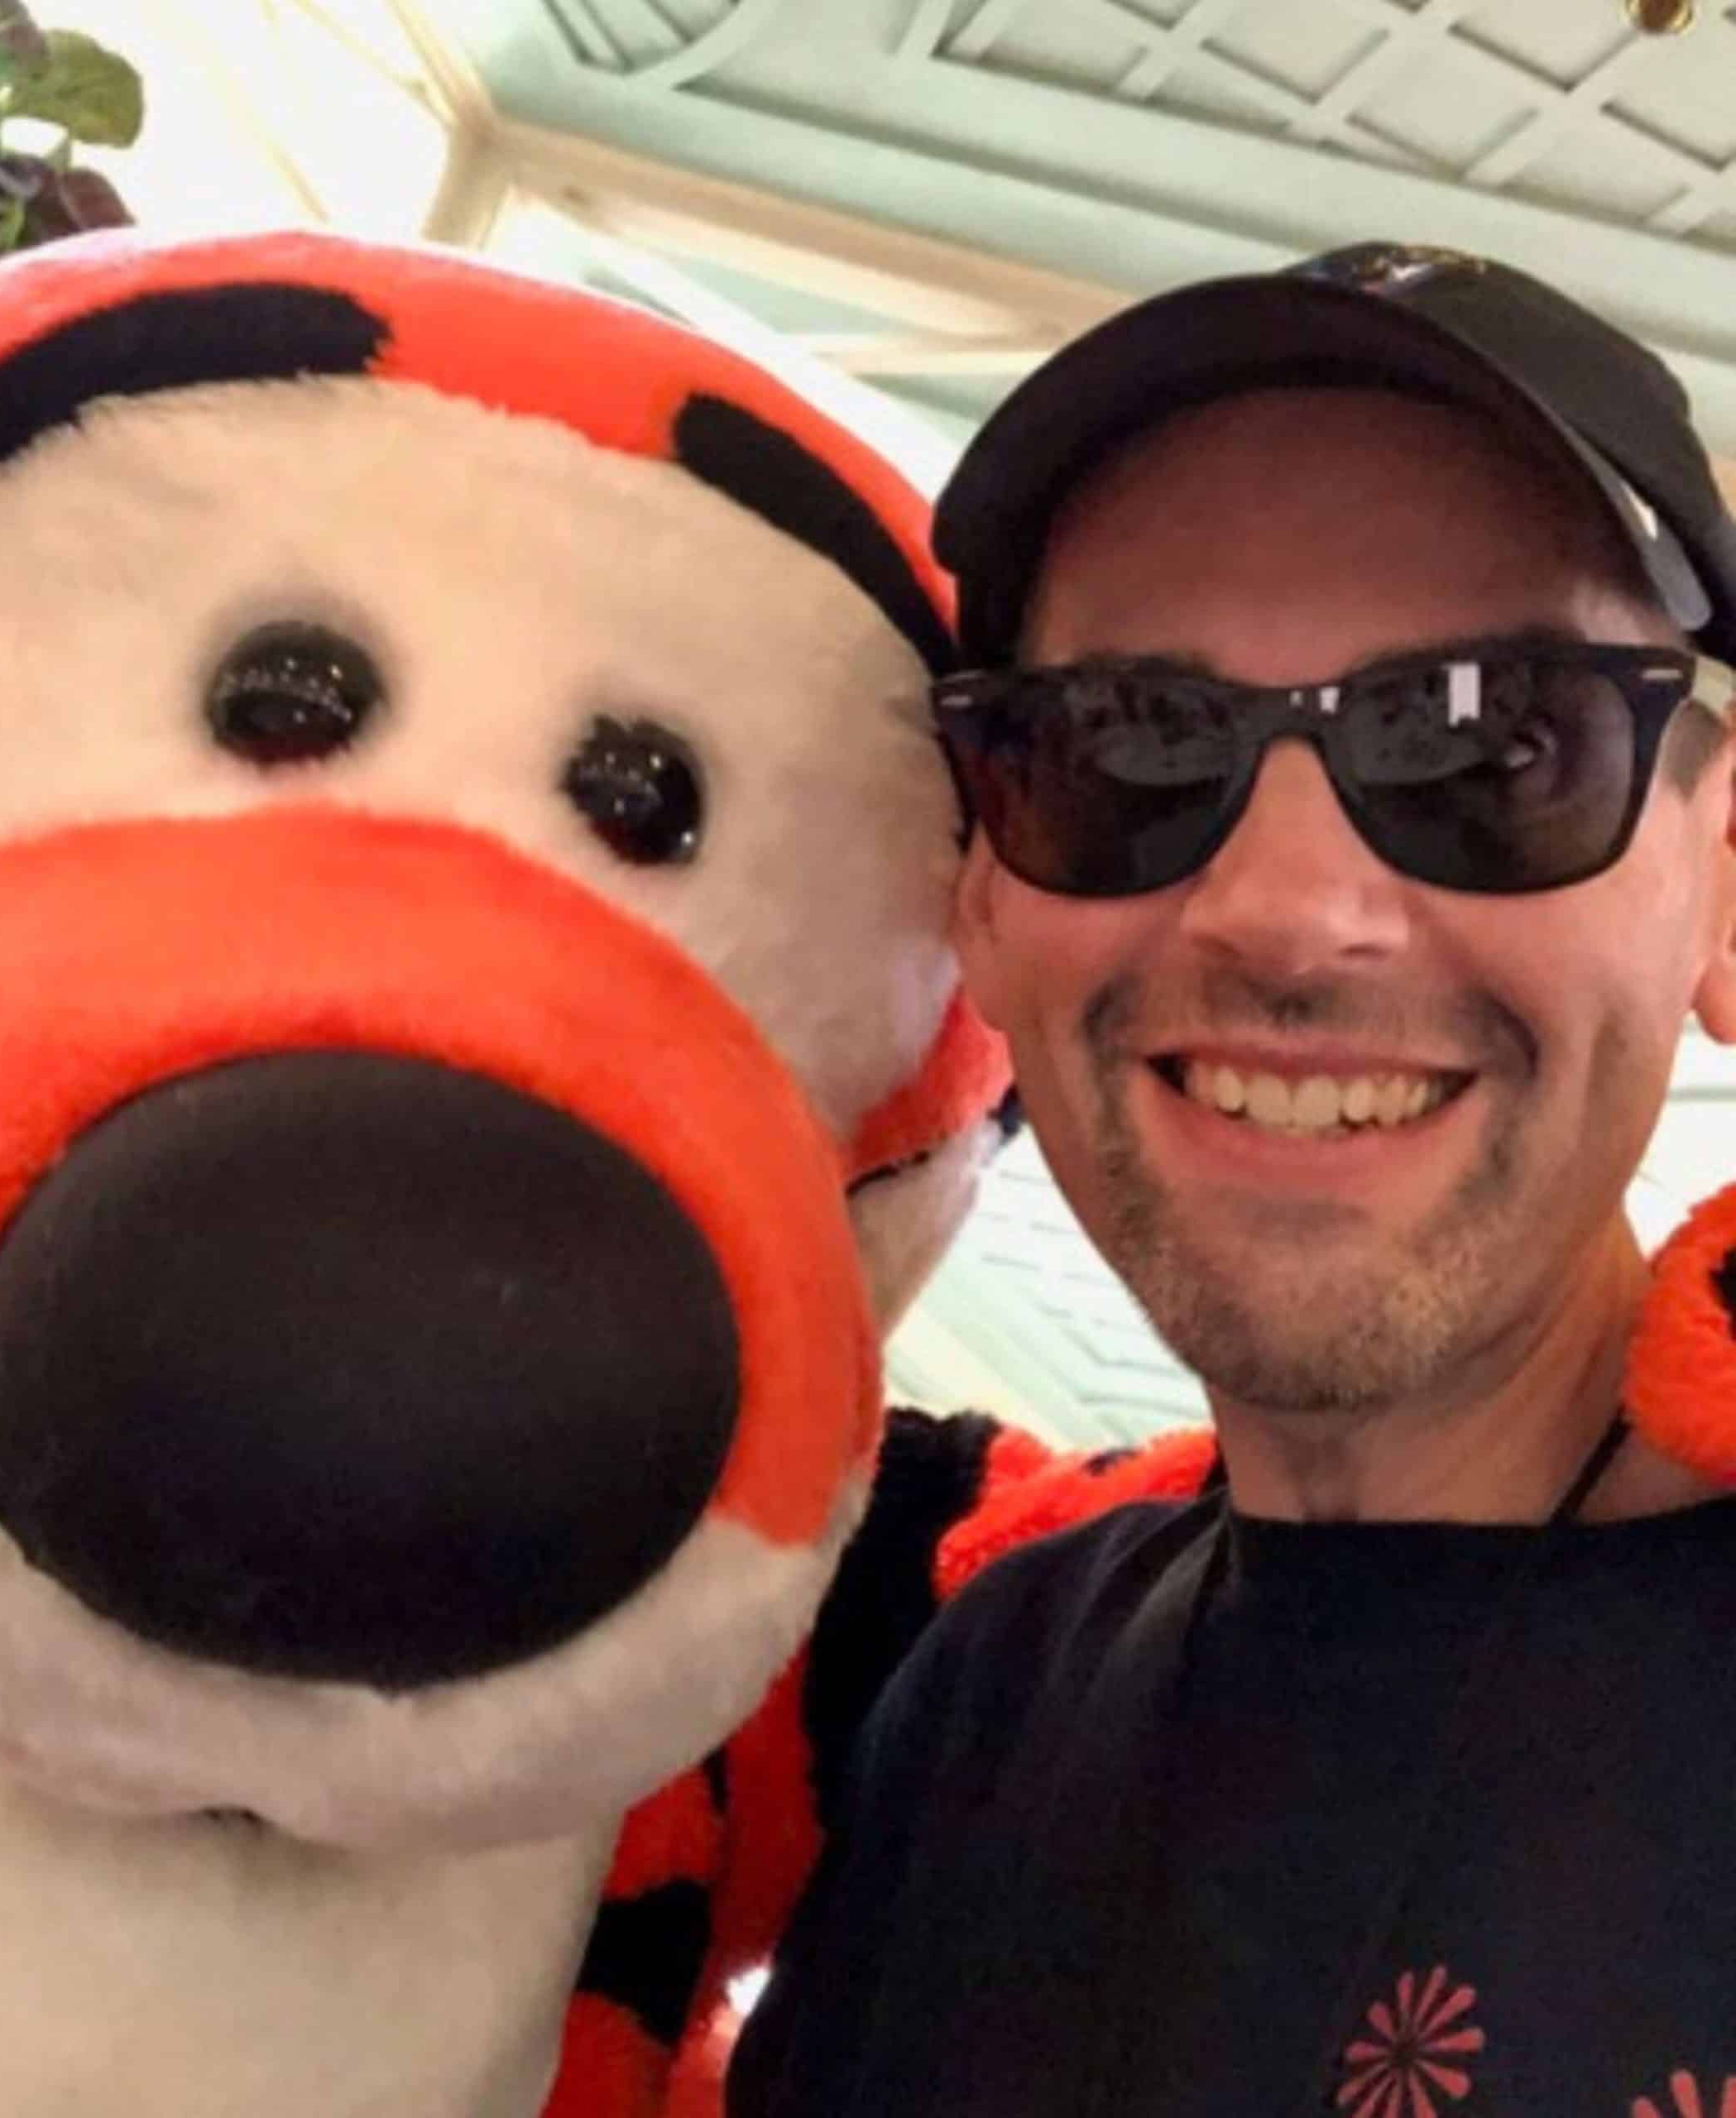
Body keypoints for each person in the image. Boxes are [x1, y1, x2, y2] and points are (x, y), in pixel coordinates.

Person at [725, 242, 1736, 2116]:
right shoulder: (979, 1689)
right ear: (982, 898)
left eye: (1487, 739)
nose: (1284, 910)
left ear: (1721, 875)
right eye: (1125, 744)